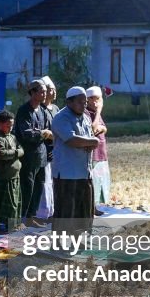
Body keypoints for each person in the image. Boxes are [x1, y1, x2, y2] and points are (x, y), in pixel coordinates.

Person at [50, 87, 100, 234]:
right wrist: (93, 141)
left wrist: (90, 143)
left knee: (83, 209)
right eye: (80, 102)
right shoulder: (61, 118)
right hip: (67, 173)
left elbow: (87, 141)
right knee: (66, 211)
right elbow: (72, 140)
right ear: (69, 102)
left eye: (85, 102)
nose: (84, 105)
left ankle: (79, 238)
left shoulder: (85, 117)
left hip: (84, 171)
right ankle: (61, 242)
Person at [14, 79, 54, 227]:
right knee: (27, 187)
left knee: (39, 186)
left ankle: (31, 216)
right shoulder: (24, 111)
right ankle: (22, 218)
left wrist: (48, 135)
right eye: (41, 91)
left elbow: (51, 130)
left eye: (45, 91)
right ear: (32, 92)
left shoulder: (43, 111)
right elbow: (26, 133)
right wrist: (43, 133)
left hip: (41, 155)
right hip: (28, 155)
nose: (44, 94)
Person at [0, 111, 24, 233]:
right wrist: (16, 152)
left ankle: (13, 224)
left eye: (12, 125)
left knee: (15, 202)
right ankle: (0, 226)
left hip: (15, 176)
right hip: (4, 177)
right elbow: (2, 154)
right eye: (8, 125)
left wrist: (16, 151)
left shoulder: (13, 137)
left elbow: (22, 149)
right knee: (4, 203)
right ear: (0, 124)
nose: (10, 128)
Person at [36, 77, 59, 222]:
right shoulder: (40, 110)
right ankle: (43, 213)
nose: (53, 92)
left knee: (54, 182)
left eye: (54, 90)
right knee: (45, 183)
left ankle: (53, 210)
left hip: (57, 149)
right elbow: (43, 132)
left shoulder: (56, 108)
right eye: (51, 90)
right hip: (45, 149)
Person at [86, 86, 110, 216]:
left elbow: (104, 128)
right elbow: (94, 129)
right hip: (93, 153)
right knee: (92, 181)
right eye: (92, 99)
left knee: (99, 180)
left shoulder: (95, 113)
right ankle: (90, 208)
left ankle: (95, 206)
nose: (95, 103)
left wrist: (101, 127)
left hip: (101, 151)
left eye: (98, 99)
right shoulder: (87, 113)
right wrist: (99, 111)